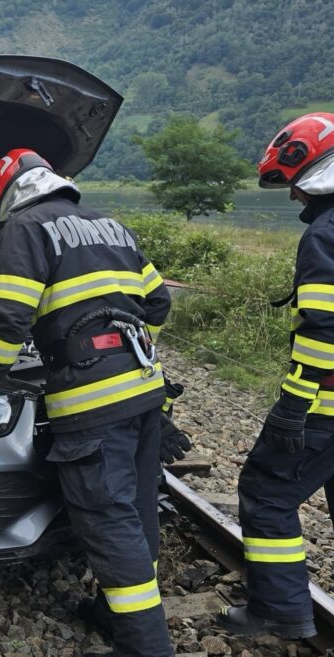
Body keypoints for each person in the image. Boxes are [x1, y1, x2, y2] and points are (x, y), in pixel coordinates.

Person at [0, 149, 177, 657]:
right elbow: (158, 303)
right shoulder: (111, 226)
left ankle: (146, 646)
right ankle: (115, 613)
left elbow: (10, 317)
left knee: (108, 518)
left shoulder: (27, 227)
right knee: (138, 507)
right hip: (145, 392)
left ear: (5, 192)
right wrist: (128, 351)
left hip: (92, 403)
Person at [216, 112, 334, 640]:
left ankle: (278, 612)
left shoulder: (326, 234)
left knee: (266, 493)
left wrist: (293, 407)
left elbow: (322, 330)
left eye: (296, 183)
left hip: (325, 404)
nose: (293, 196)